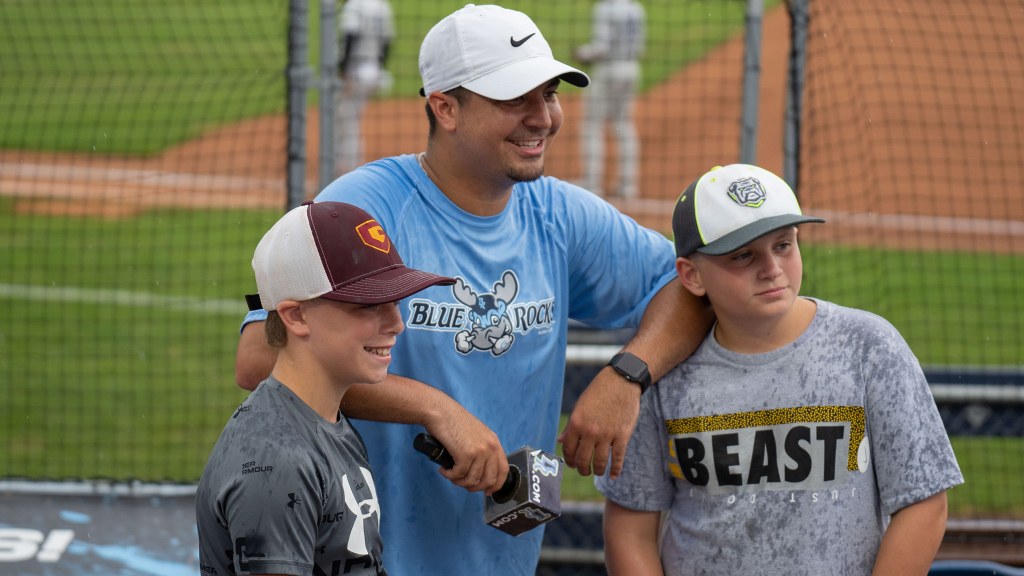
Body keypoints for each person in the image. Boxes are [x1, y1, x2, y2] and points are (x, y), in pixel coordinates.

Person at [235, 4, 713, 575]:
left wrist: (627, 376)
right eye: (516, 99)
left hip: (503, 556)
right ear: (445, 108)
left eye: (550, 93)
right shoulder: (366, 209)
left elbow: (688, 286)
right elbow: (260, 356)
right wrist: (433, 408)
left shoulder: (558, 214)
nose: (543, 117)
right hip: (364, 557)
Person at [597, 163, 964, 575]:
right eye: (743, 255)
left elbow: (924, 501)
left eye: (784, 245)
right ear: (692, 275)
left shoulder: (868, 346)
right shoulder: (663, 371)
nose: (771, 267)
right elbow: (630, 528)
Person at [198, 201, 454, 575]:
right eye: (369, 305)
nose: (396, 324)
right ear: (296, 316)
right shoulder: (278, 464)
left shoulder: (325, 423)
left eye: (395, 302)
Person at [574, 0, 646, 198]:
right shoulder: (636, 8)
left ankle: (592, 183)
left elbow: (601, 47)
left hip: (608, 71)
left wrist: (582, 53)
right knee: (623, 124)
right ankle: (628, 185)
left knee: (592, 125)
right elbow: (640, 48)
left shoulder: (605, 8)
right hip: (631, 69)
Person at [335, 0, 394, 175]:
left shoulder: (354, 5)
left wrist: (344, 70)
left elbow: (350, 35)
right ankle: (347, 162)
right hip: (374, 69)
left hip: (355, 69)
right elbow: (387, 41)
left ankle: (348, 165)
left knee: (347, 119)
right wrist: (379, 66)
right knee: (352, 116)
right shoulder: (382, 6)